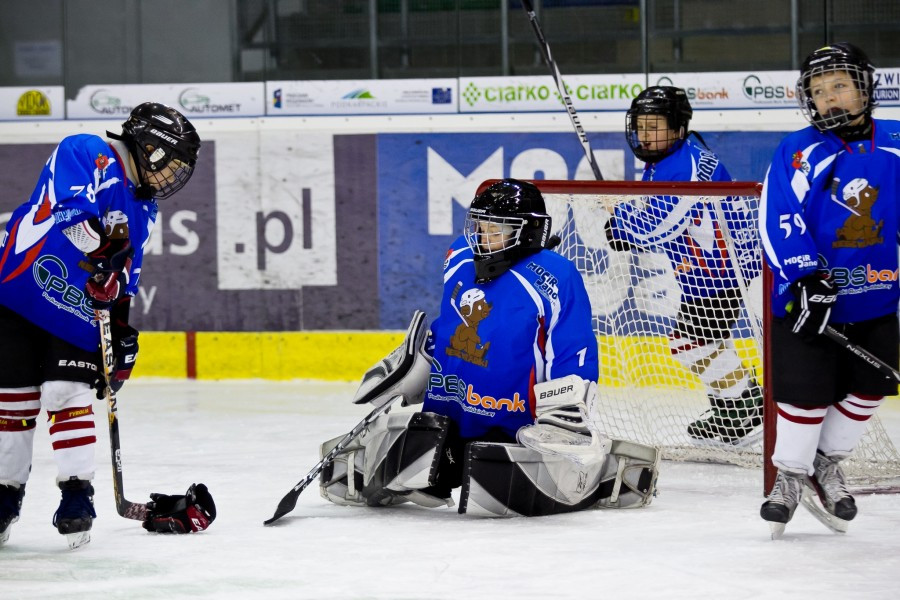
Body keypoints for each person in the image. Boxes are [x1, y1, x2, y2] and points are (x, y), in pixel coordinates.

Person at [318, 179, 660, 516]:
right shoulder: (459, 256)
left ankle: (602, 471)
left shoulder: (553, 276)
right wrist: (418, 365)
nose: (484, 237)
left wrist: (562, 419)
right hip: (453, 410)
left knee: (497, 473)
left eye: (497, 229)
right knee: (415, 458)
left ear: (527, 232)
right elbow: (449, 322)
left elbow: (570, 348)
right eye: (480, 227)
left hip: (515, 423)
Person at [0, 102, 202, 548]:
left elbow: (127, 276)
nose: (172, 175)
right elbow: (71, 215)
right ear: (148, 147)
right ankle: (5, 494)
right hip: (19, 289)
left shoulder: (144, 209)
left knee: (64, 392)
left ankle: (77, 494)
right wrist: (103, 255)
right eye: (170, 161)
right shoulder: (86, 150)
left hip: (74, 309)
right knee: (11, 403)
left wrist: (123, 330)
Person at [759, 42, 900, 534]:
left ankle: (826, 463)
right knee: (804, 395)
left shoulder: (897, 141)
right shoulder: (799, 149)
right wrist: (805, 276)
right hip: (807, 300)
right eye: (818, 92)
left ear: (864, 87)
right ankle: (790, 476)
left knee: (874, 385)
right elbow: (778, 217)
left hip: (878, 297)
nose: (830, 99)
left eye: (840, 85)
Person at [605, 86, 764, 445]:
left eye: (654, 126)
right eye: (641, 126)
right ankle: (732, 413)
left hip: (721, 270)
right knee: (701, 342)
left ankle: (746, 413)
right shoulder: (674, 158)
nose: (645, 134)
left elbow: (658, 227)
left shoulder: (683, 166)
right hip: (708, 268)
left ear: (678, 127)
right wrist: (623, 222)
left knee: (692, 344)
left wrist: (619, 217)